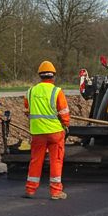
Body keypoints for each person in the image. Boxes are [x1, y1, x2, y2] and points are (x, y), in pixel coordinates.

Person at [23, 60, 70, 200]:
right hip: (55, 132)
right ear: (53, 76)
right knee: (56, 160)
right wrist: (66, 125)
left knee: (36, 160)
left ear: (40, 76)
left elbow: (27, 110)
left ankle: (30, 189)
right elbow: (64, 113)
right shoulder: (57, 91)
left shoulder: (30, 91)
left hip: (37, 133)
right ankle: (55, 191)